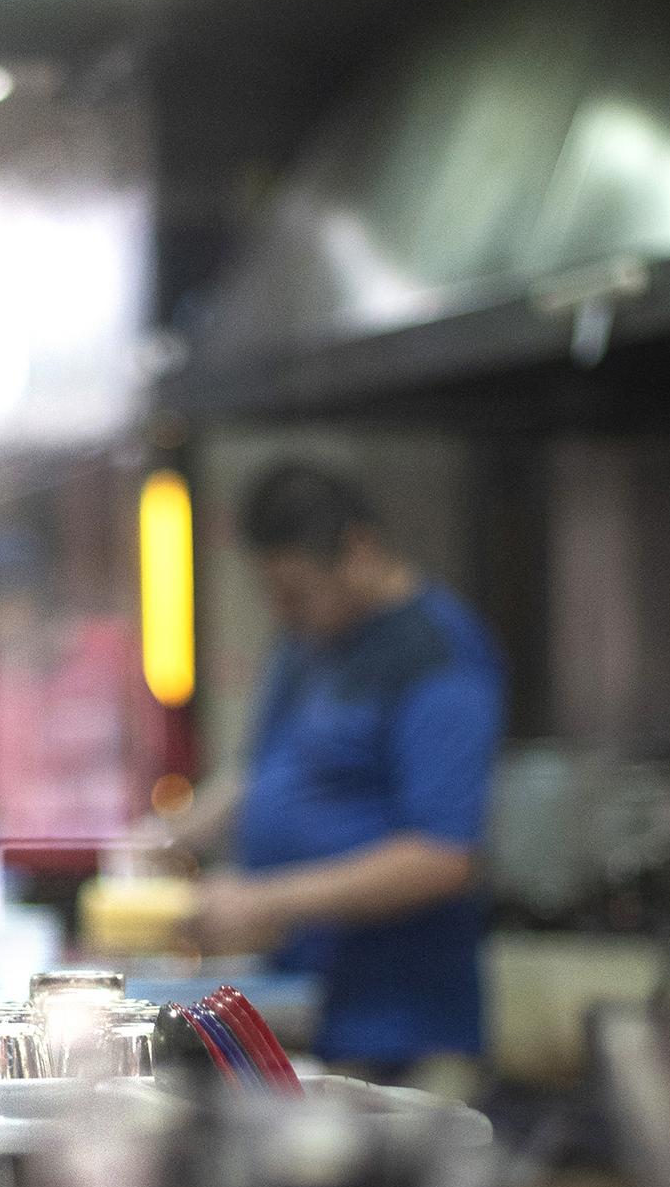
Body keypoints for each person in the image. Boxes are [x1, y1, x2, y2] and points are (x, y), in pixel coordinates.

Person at [180, 462, 503, 1091]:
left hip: (403, 1032)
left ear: (358, 550)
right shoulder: (306, 643)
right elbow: (271, 772)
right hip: (306, 1009)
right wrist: (184, 829)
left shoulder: (438, 655)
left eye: (298, 592)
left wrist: (264, 899)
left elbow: (444, 856)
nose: (284, 613)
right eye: (272, 593)